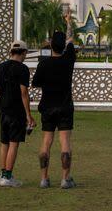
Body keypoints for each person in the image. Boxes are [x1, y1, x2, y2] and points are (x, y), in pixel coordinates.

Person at [32, 31, 77, 189]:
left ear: (50, 45)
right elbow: (71, 42)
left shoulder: (44, 63)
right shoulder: (68, 60)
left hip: (47, 107)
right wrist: (69, 24)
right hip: (65, 106)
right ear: (63, 46)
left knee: (46, 142)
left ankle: (44, 179)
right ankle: (65, 179)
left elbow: (36, 83)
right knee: (65, 142)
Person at [0, 39, 35, 187]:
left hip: (3, 109)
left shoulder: (1, 67)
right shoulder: (22, 69)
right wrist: (28, 115)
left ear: (11, 52)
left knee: (4, 143)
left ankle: (3, 174)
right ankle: (8, 177)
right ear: (23, 53)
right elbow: (24, 93)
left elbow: (0, 87)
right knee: (14, 143)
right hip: (16, 111)